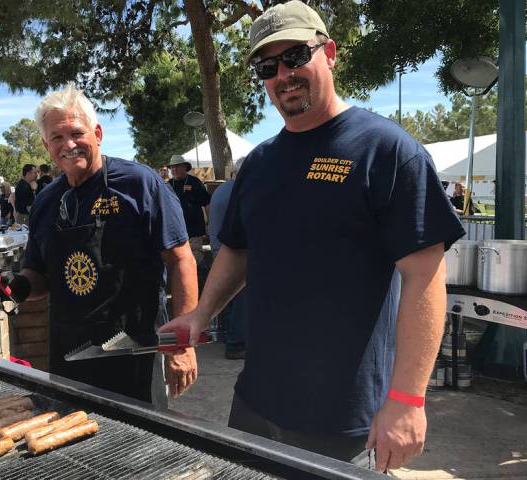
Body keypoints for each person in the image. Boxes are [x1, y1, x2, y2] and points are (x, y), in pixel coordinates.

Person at [160, 1, 465, 472]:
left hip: (345, 419)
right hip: (256, 404)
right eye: (267, 66)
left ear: (330, 52)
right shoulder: (258, 164)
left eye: (295, 56)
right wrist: (200, 315)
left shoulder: (386, 150)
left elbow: (425, 277)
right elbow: (238, 250)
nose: (282, 74)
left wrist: (407, 399)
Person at [0, 85, 199, 404]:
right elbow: (38, 273)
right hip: (70, 352)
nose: (68, 145)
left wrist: (182, 344)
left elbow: (181, 261)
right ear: (45, 144)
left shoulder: (139, 184)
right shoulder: (46, 202)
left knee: (140, 445)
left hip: (133, 346)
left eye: (77, 133)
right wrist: (13, 289)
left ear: (97, 132)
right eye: (57, 137)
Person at [208, 157, 247, 360]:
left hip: (218, 249)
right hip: (233, 252)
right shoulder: (241, 190)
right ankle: (236, 343)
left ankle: (229, 336)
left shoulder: (221, 191)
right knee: (240, 297)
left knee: (230, 297)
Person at [166, 155, 211, 267]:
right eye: (172, 167)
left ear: (185, 167)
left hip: (194, 228)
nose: (174, 169)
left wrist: (210, 222)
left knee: (195, 254)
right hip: (176, 229)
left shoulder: (195, 182)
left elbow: (206, 203)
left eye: (177, 166)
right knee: (179, 257)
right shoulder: (168, 185)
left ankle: (197, 277)